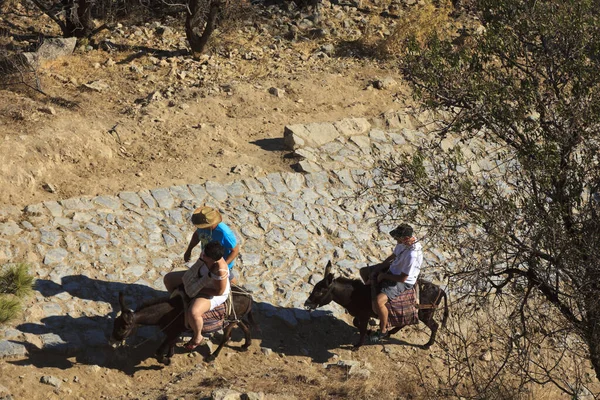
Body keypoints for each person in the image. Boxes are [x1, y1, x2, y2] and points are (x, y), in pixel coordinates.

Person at [359, 223, 423, 342]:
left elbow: (403, 278)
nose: (395, 239)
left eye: (397, 238)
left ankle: (383, 330)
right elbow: (392, 256)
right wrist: (378, 269)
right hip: (393, 269)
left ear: (406, 238)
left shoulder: (412, 255)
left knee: (379, 301)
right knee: (364, 271)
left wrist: (384, 275)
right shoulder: (402, 244)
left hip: (402, 280)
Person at [163, 240, 231, 350]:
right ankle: (177, 304)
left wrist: (199, 291)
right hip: (199, 279)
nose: (202, 254)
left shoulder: (220, 271)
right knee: (168, 279)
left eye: (205, 255)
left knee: (194, 312)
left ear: (212, 259)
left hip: (212, 291)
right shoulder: (207, 253)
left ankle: (197, 336)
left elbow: (220, 292)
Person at [183, 206, 240, 285]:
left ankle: (236, 288)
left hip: (220, 261)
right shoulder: (203, 226)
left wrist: (223, 266)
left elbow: (235, 250)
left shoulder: (224, 233)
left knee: (226, 280)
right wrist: (188, 250)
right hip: (206, 258)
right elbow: (196, 236)